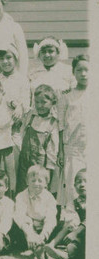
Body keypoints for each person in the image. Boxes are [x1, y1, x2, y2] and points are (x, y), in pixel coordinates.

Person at [57, 54, 88, 208]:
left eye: (87, 70)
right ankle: (71, 222)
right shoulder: (66, 97)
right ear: (74, 72)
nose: (83, 74)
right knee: (72, 187)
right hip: (72, 150)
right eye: (79, 70)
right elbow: (61, 125)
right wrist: (61, 151)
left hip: (90, 148)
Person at [17, 84, 59, 193]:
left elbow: (52, 149)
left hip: (40, 164)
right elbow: (21, 133)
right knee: (23, 188)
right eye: (37, 102)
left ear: (52, 102)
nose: (40, 105)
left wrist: (49, 170)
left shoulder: (53, 122)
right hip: (24, 161)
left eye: (44, 102)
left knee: (38, 189)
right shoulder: (31, 116)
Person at [14, 165, 57, 259]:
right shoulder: (21, 196)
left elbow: (50, 219)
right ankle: (38, 248)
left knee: (53, 227)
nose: (36, 184)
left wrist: (42, 235)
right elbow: (20, 217)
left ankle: (40, 246)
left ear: (46, 183)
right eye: (33, 181)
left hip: (43, 229)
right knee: (18, 227)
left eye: (40, 181)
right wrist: (29, 234)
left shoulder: (50, 198)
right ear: (27, 181)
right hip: (26, 230)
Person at [45, 169, 86, 259]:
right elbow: (73, 218)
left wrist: (76, 232)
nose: (82, 184)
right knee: (69, 224)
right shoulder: (73, 203)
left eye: (86, 181)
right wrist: (73, 229)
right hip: (79, 233)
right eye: (79, 181)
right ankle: (53, 245)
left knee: (76, 247)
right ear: (75, 186)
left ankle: (67, 255)